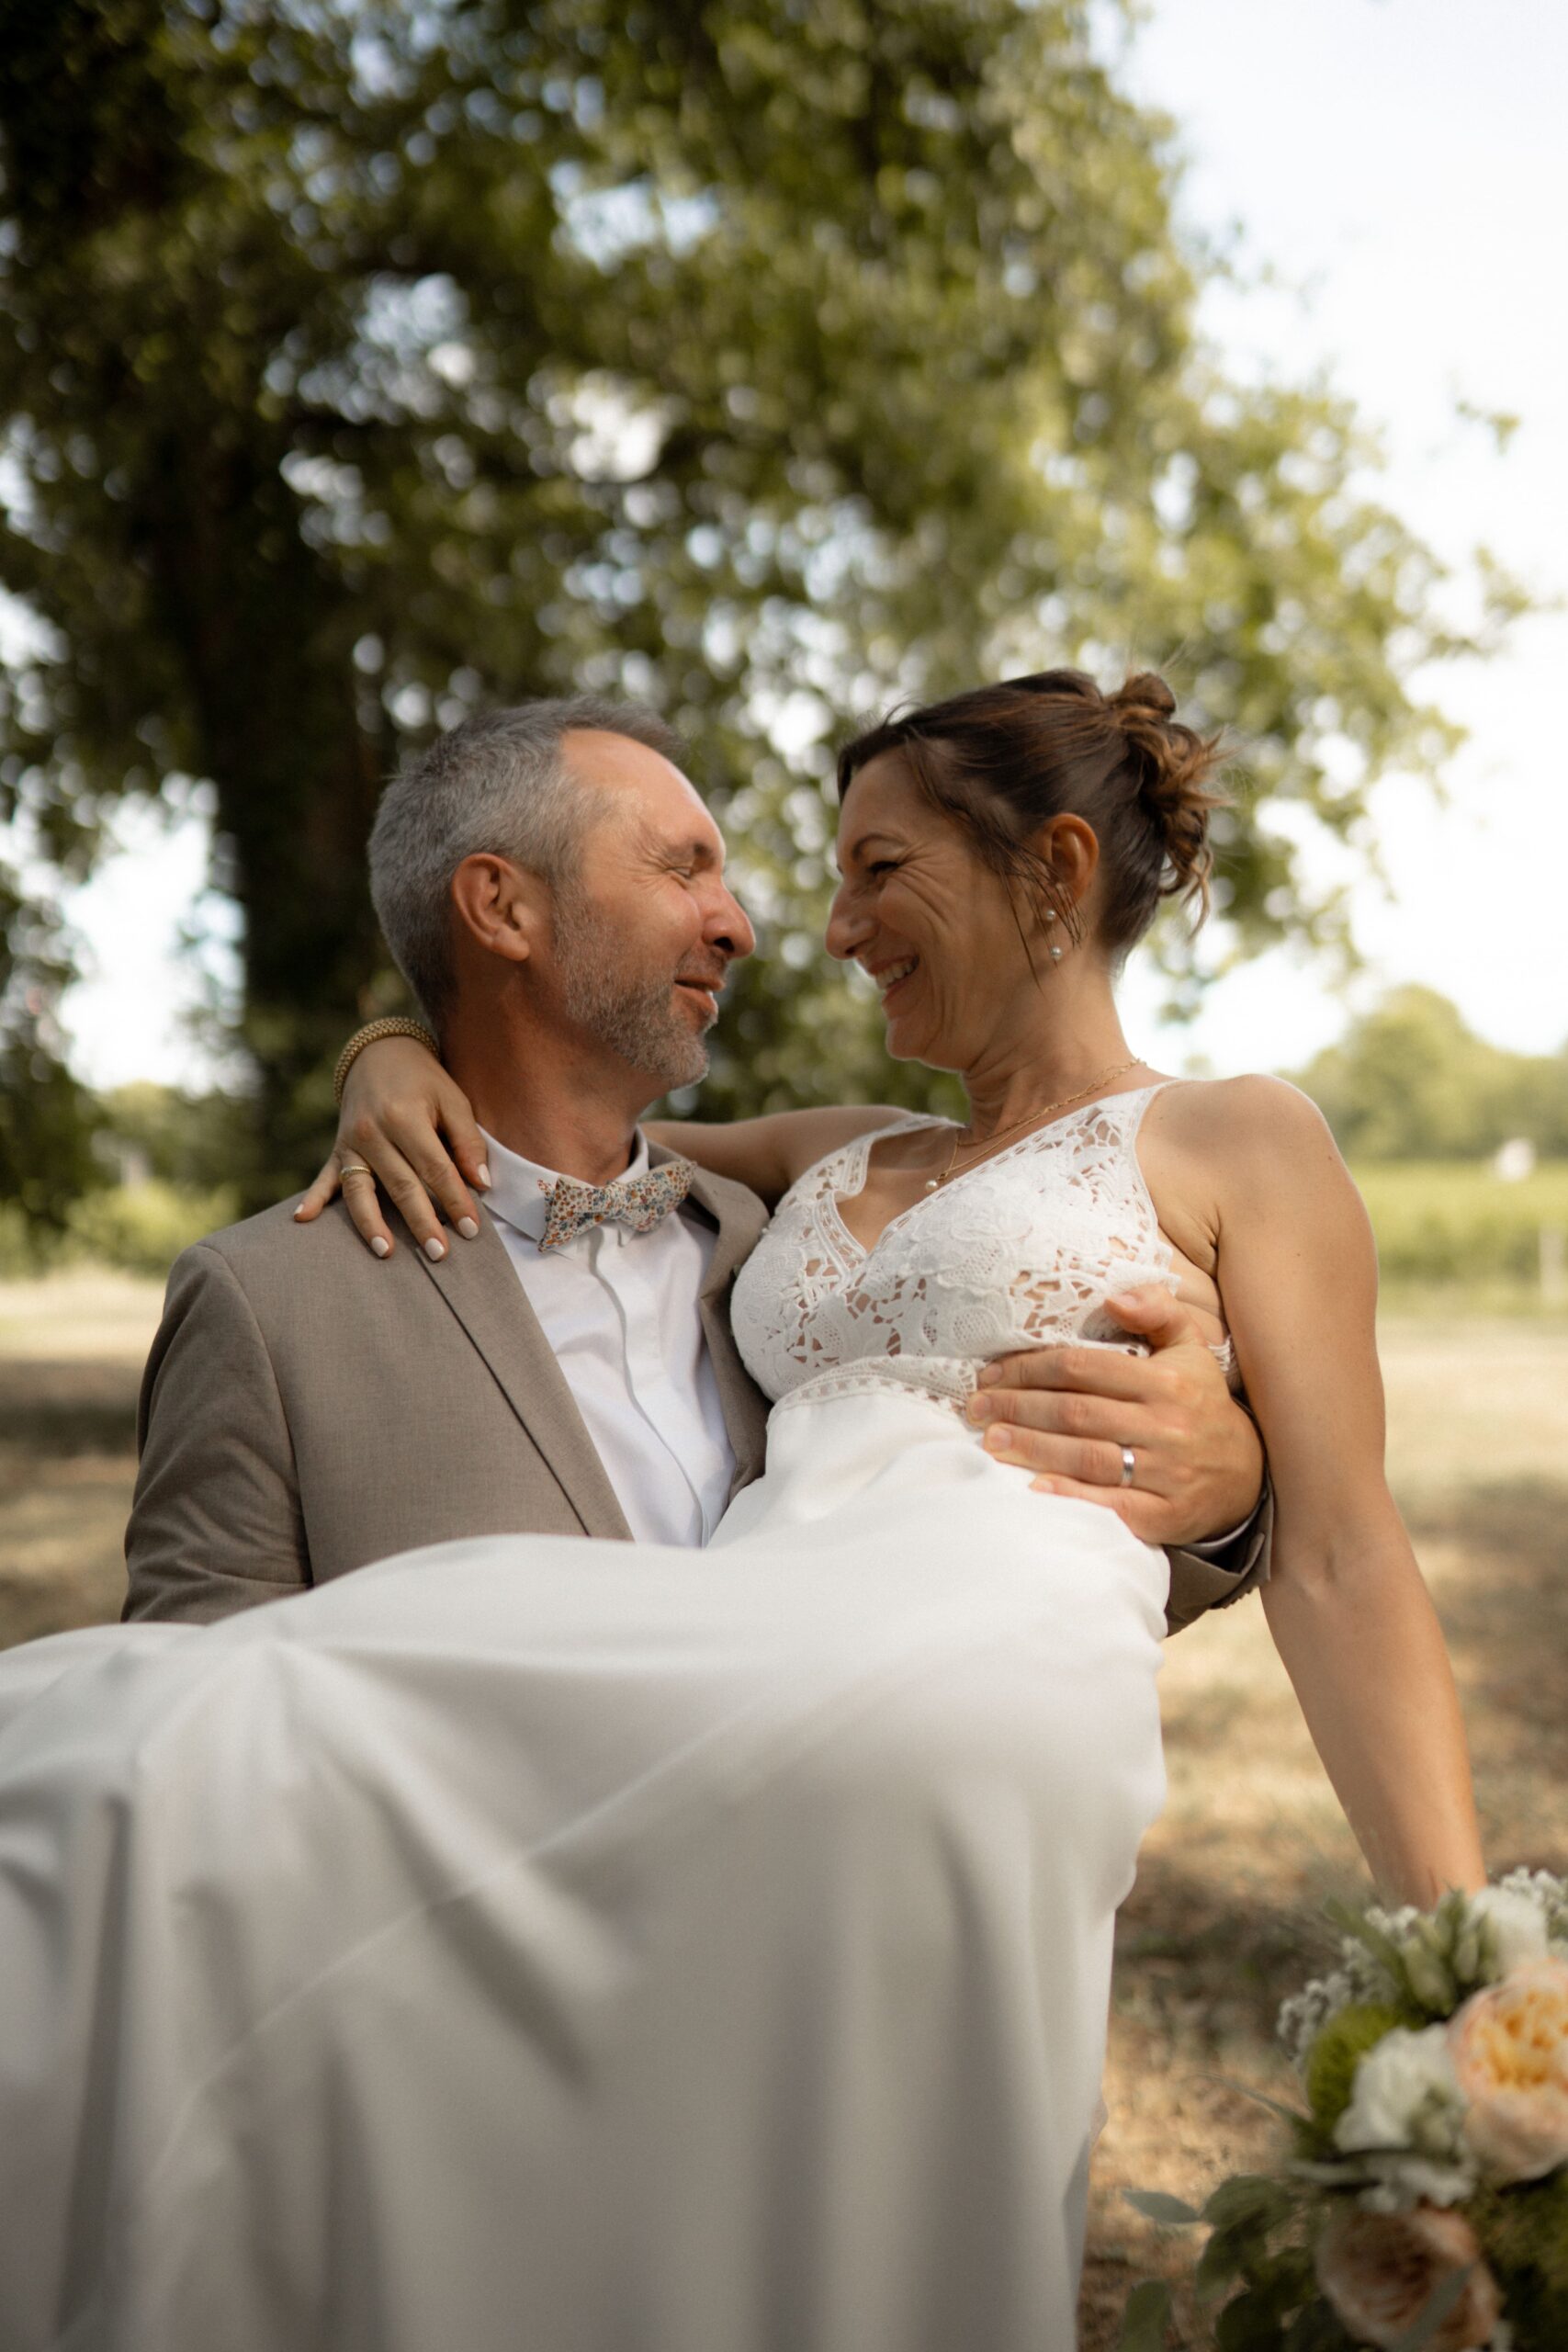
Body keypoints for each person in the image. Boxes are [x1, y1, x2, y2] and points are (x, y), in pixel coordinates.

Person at [0, 673, 1480, 2352]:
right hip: (763, 1625)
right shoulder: (834, 1155)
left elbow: (1340, 1551)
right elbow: (557, 1123)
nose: (823, 931)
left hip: (965, 1665)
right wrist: (386, 1050)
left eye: (877, 870)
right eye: (810, 878)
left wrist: (1460, 1968)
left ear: (1055, 871)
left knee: (302, 1720)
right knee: (232, 1722)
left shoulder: (1241, 1138)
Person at [124, 697, 1268, 1627]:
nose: (742, 928)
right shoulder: (267, 1306)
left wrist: (1232, 1491)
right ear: (501, 906)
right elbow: (189, 1722)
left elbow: (978, 1500)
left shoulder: (787, 1238)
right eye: (684, 870)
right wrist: (385, 1048)